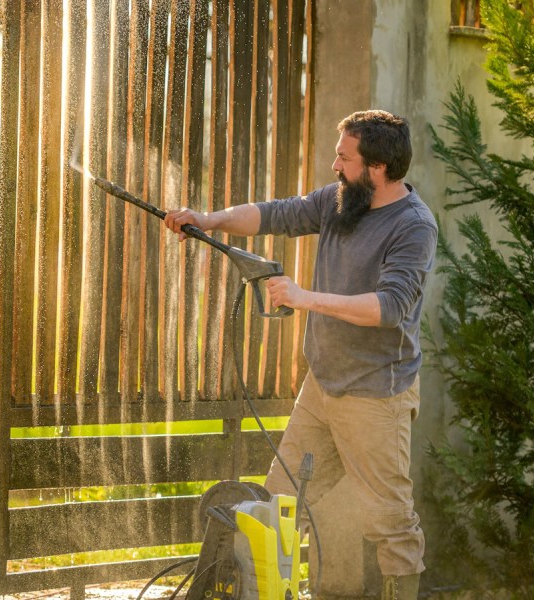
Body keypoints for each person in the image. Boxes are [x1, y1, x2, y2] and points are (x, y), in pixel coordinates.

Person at [164, 110, 436, 600]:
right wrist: (208, 219)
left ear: (376, 167)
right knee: (276, 506)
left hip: (376, 395)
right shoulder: (340, 201)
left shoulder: (414, 226)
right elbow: (274, 213)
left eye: (344, 157)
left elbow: (390, 307)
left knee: (391, 524)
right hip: (322, 388)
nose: (334, 165)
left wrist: (305, 297)